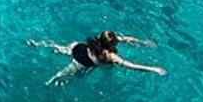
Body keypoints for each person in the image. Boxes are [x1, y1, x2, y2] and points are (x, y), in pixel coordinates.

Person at [29, 30, 166, 86]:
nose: (118, 41)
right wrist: (154, 69)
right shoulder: (111, 56)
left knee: (58, 48)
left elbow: (125, 39)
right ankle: (48, 83)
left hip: (78, 47)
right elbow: (131, 65)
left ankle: (36, 44)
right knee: (65, 75)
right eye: (116, 42)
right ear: (110, 46)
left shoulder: (101, 38)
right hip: (82, 62)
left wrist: (144, 43)